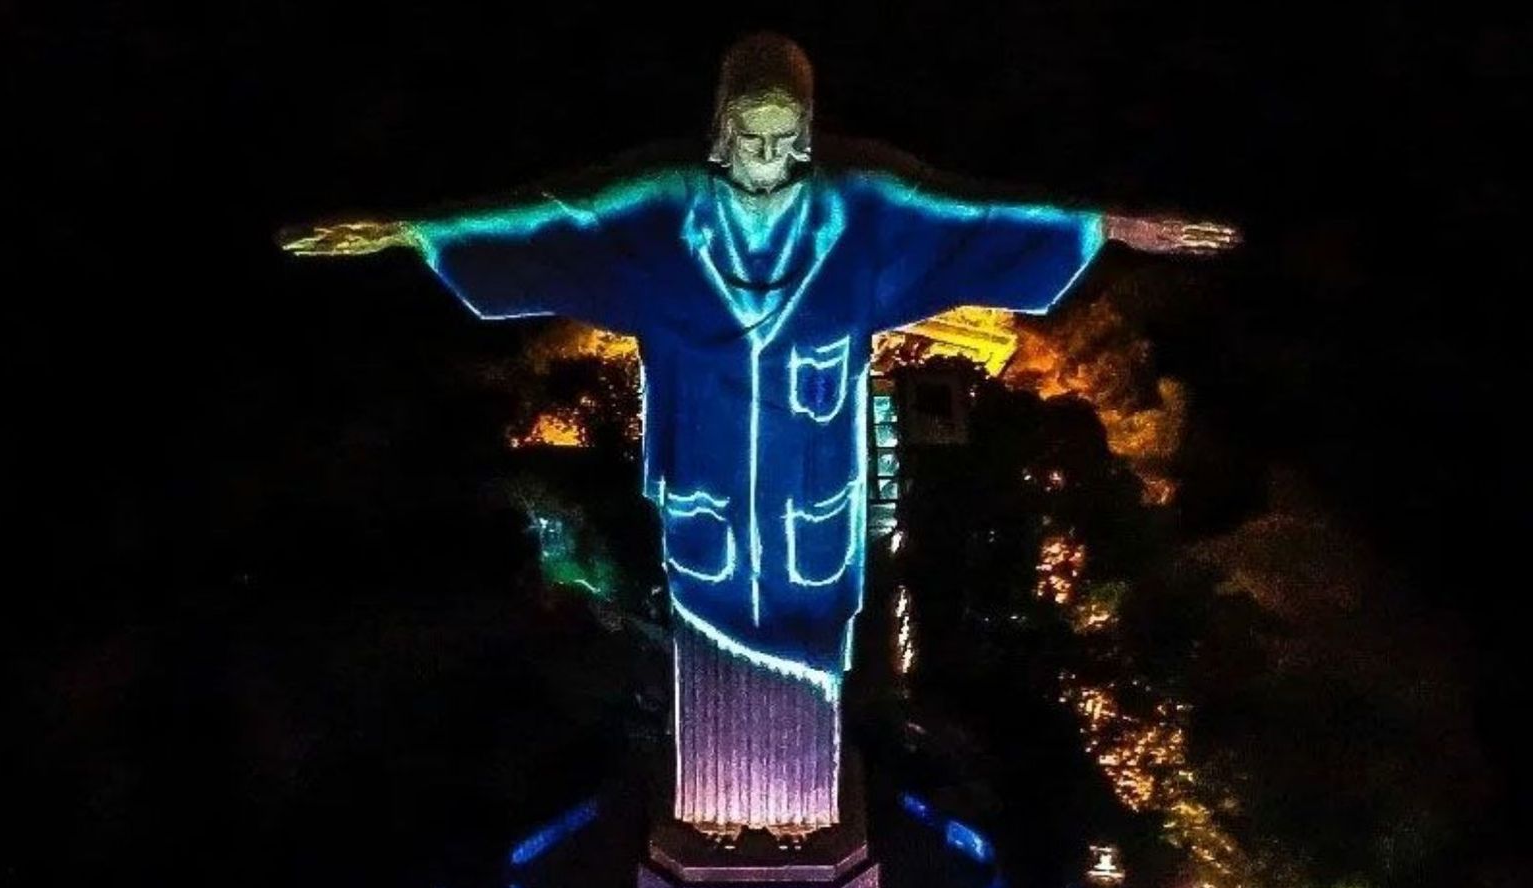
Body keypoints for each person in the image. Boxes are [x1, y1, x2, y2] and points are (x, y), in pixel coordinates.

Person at [280, 33, 1238, 834]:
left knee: (813, 633)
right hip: (705, 485)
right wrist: (415, 231)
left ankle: (801, 810)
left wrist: (1105, 224)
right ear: (719, 131)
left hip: (811, 487)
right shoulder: (664, 213)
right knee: (708, 637)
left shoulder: (858, 211)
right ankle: (713, 806)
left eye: (785, 138)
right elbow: (552, 218)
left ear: (809, 135)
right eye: (750, 136)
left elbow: (972, 212)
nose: (767, 157)